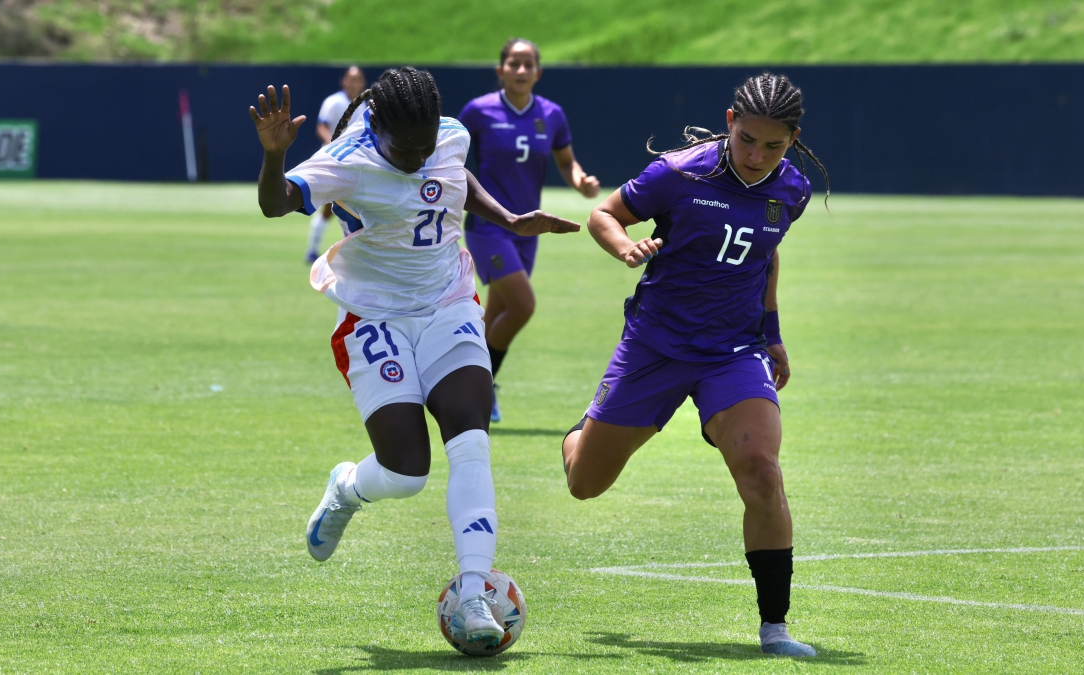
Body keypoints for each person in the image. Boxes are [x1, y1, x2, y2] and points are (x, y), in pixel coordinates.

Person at [247, 67, 578, 646]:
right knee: (406, 474)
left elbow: (455, 175)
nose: (419, 157)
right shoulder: (346, 160)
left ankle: (474, 594)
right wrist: (274, 156)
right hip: (374, 315)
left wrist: (505, 217)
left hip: (449, 304)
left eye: (426, 145)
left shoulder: (448, 134)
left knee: (471, 441)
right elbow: (277, 204)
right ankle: (346, 489)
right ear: (375, 126)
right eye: (406, 149)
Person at [559, 72, 830, 657]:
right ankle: (580, 434)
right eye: (747, 140)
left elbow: (765, 254)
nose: (757, 156)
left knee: (760, 469)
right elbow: (604, 215)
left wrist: (773, 335)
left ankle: (775, 628)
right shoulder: (679, 173)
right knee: (585, 485)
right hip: (655, 346)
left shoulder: (793, 191)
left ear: (793, 139)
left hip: (733, 352)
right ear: (730, 122)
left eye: (773, 146)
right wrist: (625, 247)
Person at [459, 38, 600, 423]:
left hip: (530, 230)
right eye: (513, 64)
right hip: (489, 227)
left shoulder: (552, 114)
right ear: (500, 70)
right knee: (523, 306)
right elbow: (450, 158)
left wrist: (581, 180)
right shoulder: (478, 111)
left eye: (528, 64)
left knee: (498, 312)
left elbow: (567, 162)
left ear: (538, 72)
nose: (521, 71)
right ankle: (480, 388)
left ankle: (464, 382)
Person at [304, 66, 368, 263]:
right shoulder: (333, 101)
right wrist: (334, 145)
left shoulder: (364, 105)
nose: (353, 83)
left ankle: (350, 252)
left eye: (357, 79)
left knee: (356, 208)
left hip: (356, 163)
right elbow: (321, 126)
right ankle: (312, 250)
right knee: (327, 209)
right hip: (332, 161)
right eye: (350, 79)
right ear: (343, 81)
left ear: (363, 83)